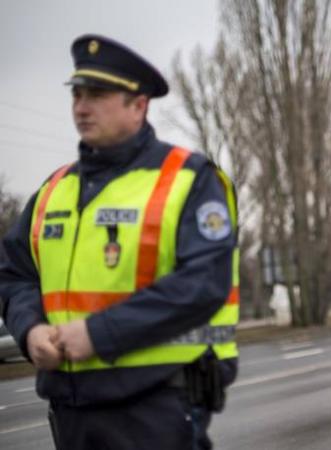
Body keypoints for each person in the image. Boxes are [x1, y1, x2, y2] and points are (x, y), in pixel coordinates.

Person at [0, 34, 240, 449]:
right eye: (77, 93)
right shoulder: (53, 191)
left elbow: (203, 283)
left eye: (98, 94)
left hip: (154, 405)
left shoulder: (189, 180)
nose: (82, 106)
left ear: (139, 105)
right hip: (70, 406)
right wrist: (30, 329)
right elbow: (15, 275)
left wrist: (98, 334)